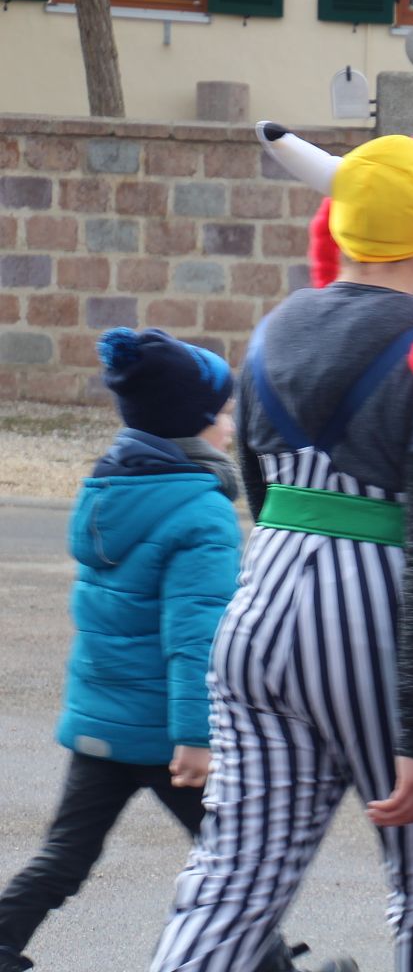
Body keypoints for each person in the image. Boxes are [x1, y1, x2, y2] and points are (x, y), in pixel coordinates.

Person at [152, 124, 413, 972]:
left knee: (232, 885)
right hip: (379, 628)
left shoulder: (273, 332)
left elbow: (262, 497)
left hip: (259, 617)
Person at [0, 331, 336, 972]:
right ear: (193, 425)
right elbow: (193, 639)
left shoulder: (108, 487)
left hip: (102, 724)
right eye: (224, 414)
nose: (231, 426)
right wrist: (196, 737)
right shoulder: (201, 513)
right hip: (166, 734)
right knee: (232, 863)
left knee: (66, 855)